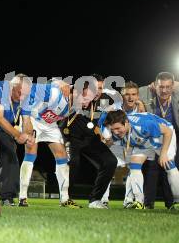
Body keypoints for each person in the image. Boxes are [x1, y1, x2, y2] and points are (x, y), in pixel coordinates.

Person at [18, 80, 83, 208]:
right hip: (33, 119)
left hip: (49, 125)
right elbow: (33, 90)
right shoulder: (56, 92)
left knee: (62, 155)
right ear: (74, 91)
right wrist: (25, 119)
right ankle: (22, 197)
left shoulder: (77, 106)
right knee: (31, 153)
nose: (84, 100)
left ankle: (65, 199)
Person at [60, 74, 118, 209]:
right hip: (71, 136)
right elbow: (56, 84)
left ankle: (95, 200)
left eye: (100, 88)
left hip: (89, 138)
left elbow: (94, 122)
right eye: (96, 88)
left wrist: (105, 136)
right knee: (73, 162)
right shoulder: (77, 92)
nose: (98, 91)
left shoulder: (103, 101)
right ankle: (65, 198)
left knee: (110, 161)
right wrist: (60, 83)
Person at [101, 110, 179, 210]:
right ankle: (139, 202)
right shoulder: (120, 130)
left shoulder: (143, 124)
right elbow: (112, 140)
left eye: (117, 128)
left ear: (126, 123)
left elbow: (168, 131)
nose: (115, 132)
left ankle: (177, 201)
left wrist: (163, 154)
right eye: (113, 130)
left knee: (169, 165)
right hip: (143, 139)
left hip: (162, 136)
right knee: (134, 166)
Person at [101, 81, 145, 208]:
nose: (130, 97)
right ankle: (103, 199)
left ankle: (129, 200)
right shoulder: (114, 108)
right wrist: (107, 139)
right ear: (122, 95)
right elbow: (103, 123)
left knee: (134, 168)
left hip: (132, 144)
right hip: (114, 142)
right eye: (127, 94)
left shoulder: (141, 109)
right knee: (108, 167)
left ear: (137, 96)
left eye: (133, 94)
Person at [0, 74, 34, 206]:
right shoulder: (3, 90)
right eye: (19, 92)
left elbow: (27, 121)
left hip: (4, 131)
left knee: (11, 157)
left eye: (25, 94)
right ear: (12, 86)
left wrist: (28, 136)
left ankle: (7, 197)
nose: (21, 97)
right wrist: (17, 135)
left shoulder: (24, 98)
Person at [139, 72, 179, 209]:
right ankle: (148, 204)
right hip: (153, 139)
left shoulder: (175, 96)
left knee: (170, 169)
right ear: (155, 86)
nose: (164, 90)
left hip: (172, 139)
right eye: (161, 87)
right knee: (151, 170)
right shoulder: (147, 94)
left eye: (168, 87)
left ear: (173, 87)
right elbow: (132, 91)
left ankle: (172, 203)